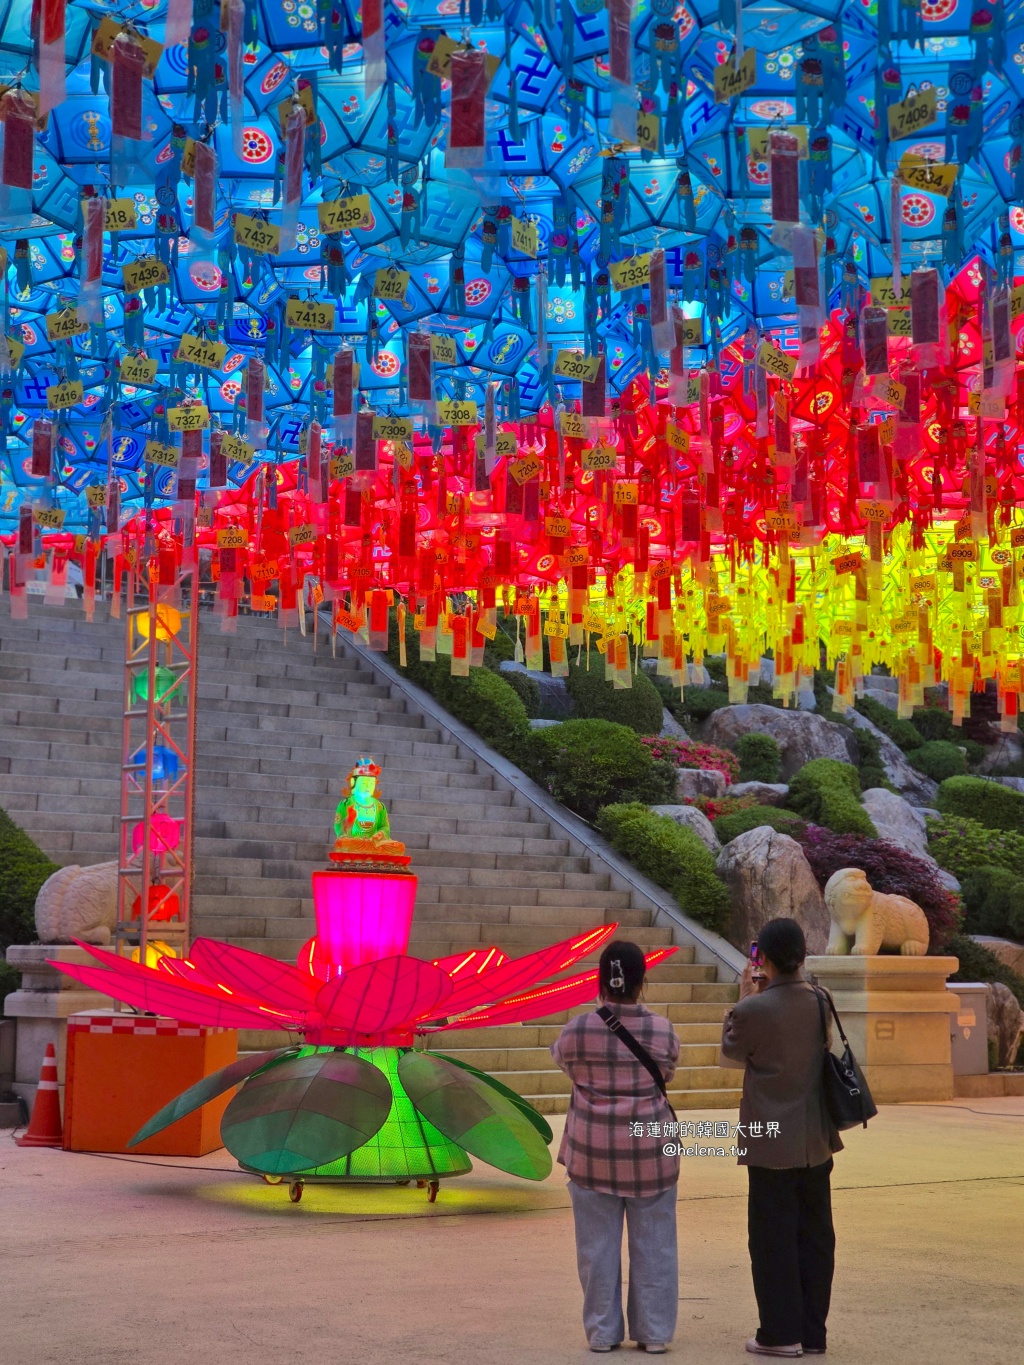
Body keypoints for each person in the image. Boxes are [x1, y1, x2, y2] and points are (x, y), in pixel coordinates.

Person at [720, 917, 844, 1358]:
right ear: (803, 957)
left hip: (770, 1143)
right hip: (815, 1140)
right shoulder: (819, 1001)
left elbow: (732, 1052)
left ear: (763, 960)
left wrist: (743, 995)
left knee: (772, 1239)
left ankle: (779, 1333)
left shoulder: (754, 1009)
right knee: (815, 1237)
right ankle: (813, 1333)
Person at [551, 939, 680, 1355]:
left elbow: (563, 1062)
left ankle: (603, 1334)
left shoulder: (577, 1029)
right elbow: (668, 1071)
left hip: (592, 1155)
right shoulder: (662, 1030)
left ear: (600, 980)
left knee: (596, 1249)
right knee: (656, 1246)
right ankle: (654, 1333)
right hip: (651, 1156)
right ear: (642, 981)